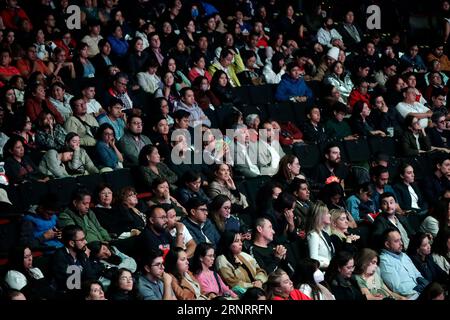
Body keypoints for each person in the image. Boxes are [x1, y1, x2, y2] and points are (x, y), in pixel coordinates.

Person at [379, 229, 428, 299]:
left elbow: (417, 274)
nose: (401, 243)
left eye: (400, 239)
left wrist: (423, 283)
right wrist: (416, 289)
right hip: (411, 296)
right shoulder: (384, 260)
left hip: (421, 292)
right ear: (387, 244)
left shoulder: (404, 255)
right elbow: (397, 288)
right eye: (396, 241)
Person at [215, 231, 268, 296]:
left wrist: (259, 281)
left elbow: (260, 270)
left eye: (240, 240)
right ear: (228, 243)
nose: (240, 243)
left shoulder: (243, 255)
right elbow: (232, 283)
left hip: (258, 288)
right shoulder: (221, 260)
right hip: (242, 295)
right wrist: (254, 285)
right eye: (237, 241)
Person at [51, 225, 99, 294]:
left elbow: (91, 276)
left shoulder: (81, 254)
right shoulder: (59, 257)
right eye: (82, 240)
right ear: (72, 243)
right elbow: (71, 285)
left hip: (84, 291)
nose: (85, 242)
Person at [306, 201, 335, 270]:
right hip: (323, 272)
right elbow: (313, 260)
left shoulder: (324, 232)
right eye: (327, 213)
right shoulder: (313, 235)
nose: (330, 215)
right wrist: (330, 264)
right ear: (320, 216)